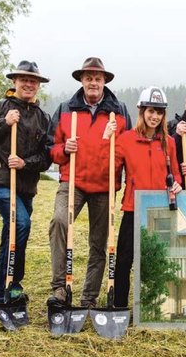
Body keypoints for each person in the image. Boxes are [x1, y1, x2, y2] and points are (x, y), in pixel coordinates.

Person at [47, 57, 130, 308]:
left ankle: (88, 299)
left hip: (104, 186)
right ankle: (60, 288)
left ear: (104, 81)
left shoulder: (119, 111)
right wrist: (64, 149)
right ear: (81, 80)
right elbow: (49, 148)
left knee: (98, 243)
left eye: (98, 78)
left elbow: (127, 149)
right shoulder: (65, 109)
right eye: (88, 78)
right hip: (73, 182)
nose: (93, 82)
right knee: (59, 222)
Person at [0, 60, 51, 306]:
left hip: (25, 188)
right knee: (20, 224)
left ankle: (9, 287)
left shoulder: (42, 118)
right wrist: (3, 123)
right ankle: (4, 290)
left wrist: (25, 163)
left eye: (33, 81)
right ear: (14, 82)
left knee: (15, 233)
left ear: (38, 86)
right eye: (24, 79)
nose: (28, 84)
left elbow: (46, 157)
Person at [110, 87, 182, 308]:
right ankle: (120, 306)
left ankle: (154, 308)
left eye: (159, 112)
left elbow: (176, 173)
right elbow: (111, 168)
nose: (155, 116)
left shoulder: (168, 142)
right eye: (151, 111)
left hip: (160, 210)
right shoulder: (126, 140)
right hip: (133, 208)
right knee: (124, 261)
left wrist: (177, 184)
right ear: (141, 111)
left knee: (156, 262)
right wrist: (107, 140)